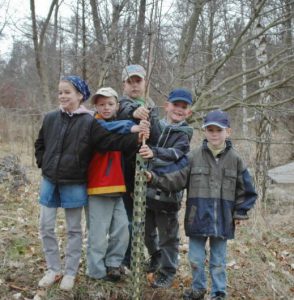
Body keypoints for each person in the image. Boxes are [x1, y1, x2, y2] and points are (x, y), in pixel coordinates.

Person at [35, 76, 144, 291]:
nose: (63, 96)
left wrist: (136, 135)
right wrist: (44, 164)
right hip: (50, 180)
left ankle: (70, 272)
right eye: (60, 92)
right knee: (45, 226)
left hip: (74, 182)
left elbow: (109, 141)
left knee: (74, 229)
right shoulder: (50, 118)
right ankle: (53, 268)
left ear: (80, 95)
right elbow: (40, 143)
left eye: (68, 92)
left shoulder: (89, 122)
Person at [143, 110, 257, 299]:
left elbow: (247, 189)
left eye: (218, 130)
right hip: (197, 218)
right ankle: (198, 288)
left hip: (223, 220)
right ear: (204, 132)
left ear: (227, 132)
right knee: (195, 259)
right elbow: (176, 178)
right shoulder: (193, 156)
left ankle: (219, 292)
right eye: (210, 130)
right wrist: (154, 178)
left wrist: (240, 213)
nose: (214, 134)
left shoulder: (235, 160)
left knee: (218, 261)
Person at [86, 87, 149, 281]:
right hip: (98, 187)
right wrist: (133, 128)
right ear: (95, 106)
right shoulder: (92, 124)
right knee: (98, 234)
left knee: (122, 230)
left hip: (118, 187)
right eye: (101, 104)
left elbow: (126, 145)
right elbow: (112, 133)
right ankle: (96, 273)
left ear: (117, 106)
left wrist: (140, 135)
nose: (106, 108)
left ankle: (113, 264)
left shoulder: (118, 124)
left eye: (110, 104)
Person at [139, 88, 193, 288]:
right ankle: (155, 256)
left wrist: (153, 153)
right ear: (167, 106)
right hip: (147, 191)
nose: (179, 109)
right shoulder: (157, 126)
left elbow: (175, 154)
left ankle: (168, 271)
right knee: (146, 231)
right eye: (176, 105)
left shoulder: (184, 134)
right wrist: (146, 115)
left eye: (184, 107)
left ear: (189, 112)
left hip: (168, 195)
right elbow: (146, 132)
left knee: (168, 237)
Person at [116, 64, 158, 269]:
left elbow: (157, 138)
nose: (134, 85)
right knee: (127, 220)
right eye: (130, 82)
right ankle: (126, 259)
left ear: (145, 82)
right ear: (124, 84)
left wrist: (150, 124)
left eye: (138, 81)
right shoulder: (119, 104)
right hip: (123, 172)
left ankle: (149, 256)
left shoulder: (152, 106)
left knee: (144, 221)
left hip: (145, 173)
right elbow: (124, 110)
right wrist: (136, 111)